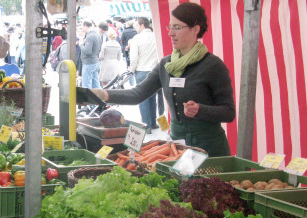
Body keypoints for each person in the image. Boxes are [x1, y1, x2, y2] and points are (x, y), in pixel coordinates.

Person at [88, 2, 235, 157]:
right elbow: (138, 93)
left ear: (196, 29)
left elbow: (228, 112)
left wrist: (200, 109)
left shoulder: (213, 66)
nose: (171, 33)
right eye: (169, 27)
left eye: (177, 27)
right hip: (178, 147)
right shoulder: (166, 64)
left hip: (209, 148)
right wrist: (103, 94)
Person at [129, 17, 160, 133]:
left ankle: (146, 126)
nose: (135, 28)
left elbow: (134, 57)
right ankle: (153, 122)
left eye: (136, 25)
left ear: (142, 25)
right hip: (155, 70)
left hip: (142, 70)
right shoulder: (155, 36)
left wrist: (132, 69)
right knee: (152, 97)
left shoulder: (137, 38)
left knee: (142, 98)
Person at [80, 20, 102, 89]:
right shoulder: (97, 35)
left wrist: (81, 44)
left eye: (82, 27)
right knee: (96, 85)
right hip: (96, 62)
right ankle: (99, 98)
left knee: (86, 86)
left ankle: (88, 99)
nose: (82, 29)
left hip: (88, 63)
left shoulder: (89, 37)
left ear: (85, 26)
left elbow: (87, 51)